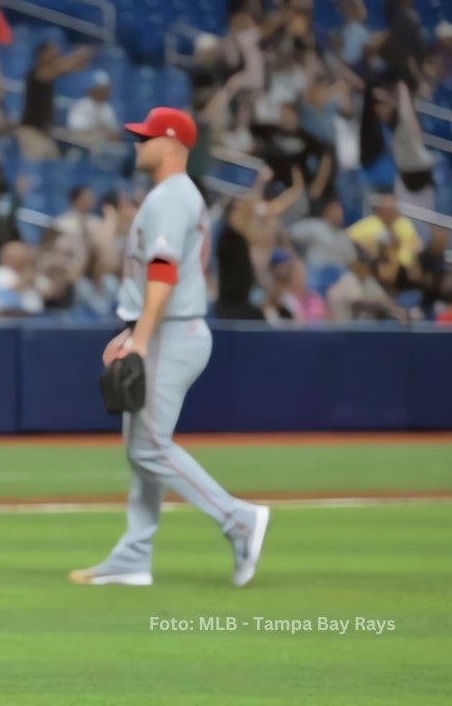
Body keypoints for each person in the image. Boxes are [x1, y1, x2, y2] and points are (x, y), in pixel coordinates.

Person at [70, 107, 270, 588]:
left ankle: (236, 518)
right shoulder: (173, 196)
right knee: (140, 447)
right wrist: (134, 332)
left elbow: (164, 272)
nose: (138, 144)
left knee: (150, 447)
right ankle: (134, 555)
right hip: (167, 327)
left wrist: (139, 339)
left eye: (147, 137)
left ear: (173, 143)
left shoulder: (172, 196)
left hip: (171, 331)